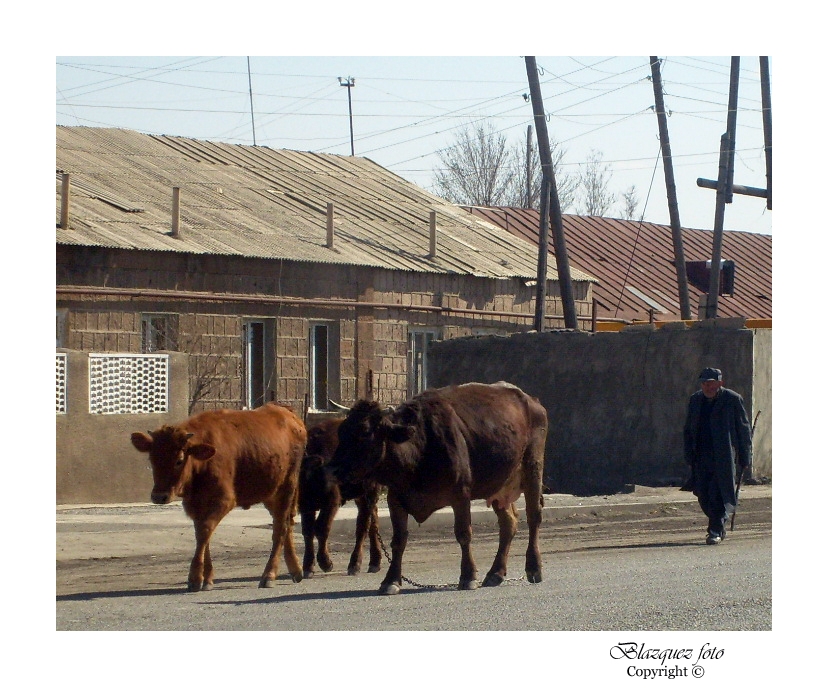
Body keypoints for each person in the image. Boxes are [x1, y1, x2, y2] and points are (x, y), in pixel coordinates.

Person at [683, 367, 753, 545]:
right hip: (701, 455)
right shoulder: (696, 400)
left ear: (720, 383)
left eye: (712, 383)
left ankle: (714, 530)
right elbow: (688, 429)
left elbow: (743, 430)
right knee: (703, 494)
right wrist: (688, 454)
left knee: (718, 493)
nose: (708, 387)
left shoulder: (732, 400)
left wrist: (745, 456)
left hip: (723, 456)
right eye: (705, 383)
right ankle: (719, 519)